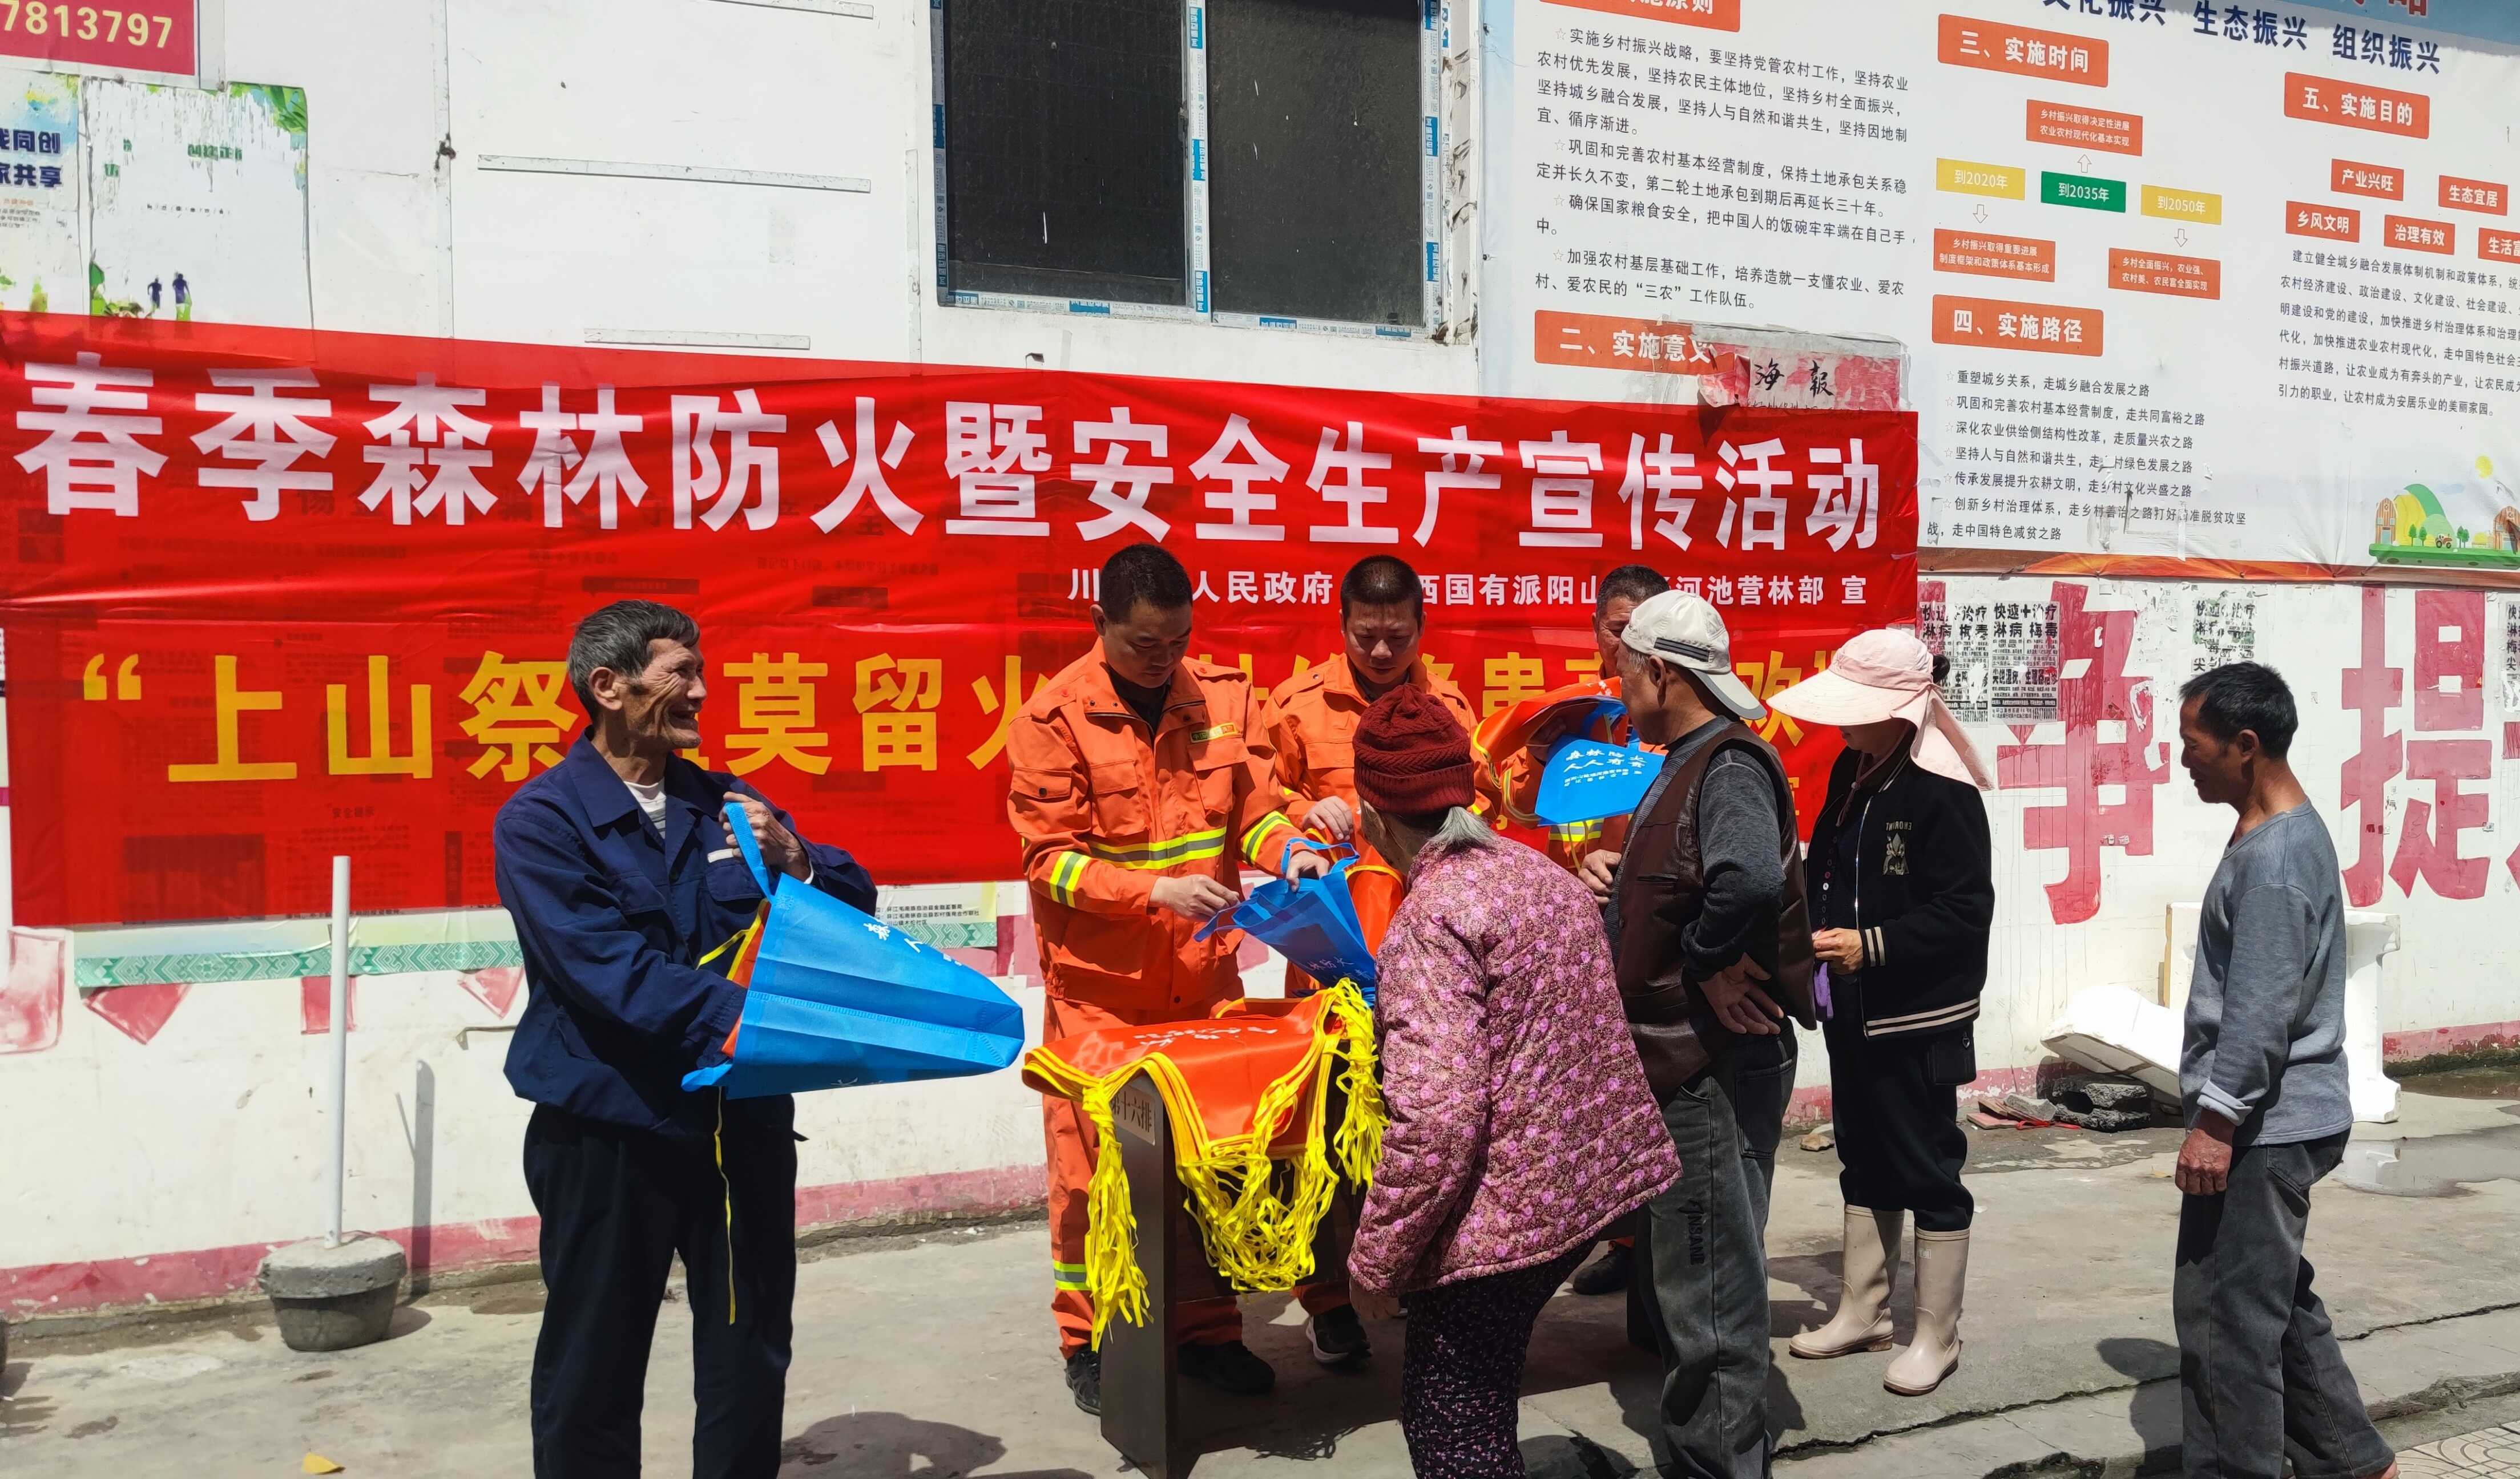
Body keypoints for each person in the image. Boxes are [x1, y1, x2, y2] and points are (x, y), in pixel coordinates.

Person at [493, 599, 877, 1479]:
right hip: (608, 1128)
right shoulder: (542, 822)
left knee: (749, 1349)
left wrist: (797, 861)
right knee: (593, 1364)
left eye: (701, 673)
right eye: (681, 674)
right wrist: (754, 1021)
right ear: (608, 687)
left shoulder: (729, 806)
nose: (702, 693)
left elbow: (848, 914)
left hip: (737, 1126)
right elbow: (606, 970)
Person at [1007, 542, 1332, 1416]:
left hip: (1204, 981)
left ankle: (1207, 1332)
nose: (1164, 659)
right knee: (1091, 1175)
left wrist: (1289, 853)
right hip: (1101, 995)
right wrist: (1152, 891)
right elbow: (1049, 864)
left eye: (1178, 640)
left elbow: (1254, 812)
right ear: (1100, 623)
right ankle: (1089, 1338)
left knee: (1211, 1162)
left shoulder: (1221, 698)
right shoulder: (1051, 719)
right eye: (1144, 644)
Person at [1342, 685, 1680, 1479]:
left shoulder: (1431, 919)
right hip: (1585, 1191)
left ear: (1371, 816)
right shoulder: (1539, 876)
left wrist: (1374, 1263)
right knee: (1481, 1390)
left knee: (1452, 1422)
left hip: (1506, 1224)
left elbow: (1435, 1120)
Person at [1606, 590, 1815, 1479]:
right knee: (1698, 1275)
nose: (1617, 686)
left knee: (1711, 1287)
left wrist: (1705, 962)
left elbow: (1746, 883)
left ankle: (1719, 1461)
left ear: (1659, 672)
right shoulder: (1687, 761)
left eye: (1623, 669)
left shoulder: (1726, 764)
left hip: (1709, 1062)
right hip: (1685, 1058)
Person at [2171, 663, 2397, 1479]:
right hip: (2280, 1116)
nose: (2181, 760)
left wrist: (2214, 1123)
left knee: (2221, 1318)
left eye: (2192, 744)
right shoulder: (2270, 833)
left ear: (2244, 744)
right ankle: (2352, 1460)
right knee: (2271, 1300)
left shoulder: (2274, 860)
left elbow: (2259, 1013)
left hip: (2261, 1126)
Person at [1767, 630, 1995, 1397]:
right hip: (1853, 1009)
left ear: (1898, 710)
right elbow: (1828, 868)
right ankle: (1862, 1311)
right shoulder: (1853, 768)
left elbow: (1964, 911)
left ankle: (1936, 1333)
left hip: (1917, 1018)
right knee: (1862, 1155)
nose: (1840, 723)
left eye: (1854, 708)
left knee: (1927, 1166)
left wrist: (1871, 944)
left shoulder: (1942, 788)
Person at [1479, 561, 1670, 1298]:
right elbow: (1511, 805)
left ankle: (1641, 1245)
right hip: (1566, 938)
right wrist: (1535, 756)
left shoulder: (1678, 720)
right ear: (1596, 632)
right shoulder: (1565, 711)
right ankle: (1600, 1234)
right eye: (1619, 630)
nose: (1630, 645)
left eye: (1646, 631)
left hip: (1645, 939)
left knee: (1643, 1095)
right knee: (1575, 1101)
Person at [1260, 551, 1487, 997]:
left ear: (1421, 625)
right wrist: (1306, 810)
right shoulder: (1295, 707)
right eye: (1365, 637)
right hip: (1331, 928)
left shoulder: (1448, 709)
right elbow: (1260, 801)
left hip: (1427, 924)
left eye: (1398, 637)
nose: (1381, 652)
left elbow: (1480, 800)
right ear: (1342, 624)